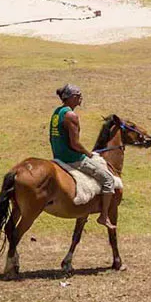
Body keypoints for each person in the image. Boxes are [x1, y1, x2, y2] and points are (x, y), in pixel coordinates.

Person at [49, 84, 117, 229]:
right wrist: (88, 154)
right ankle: (103, 216)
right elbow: (75, 144)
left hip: (58, 155)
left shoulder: (57, 112)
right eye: (79, 95)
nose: (81, 98)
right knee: (108, 179)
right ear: (72, 97)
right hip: (73, 159)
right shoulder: (71, 115)